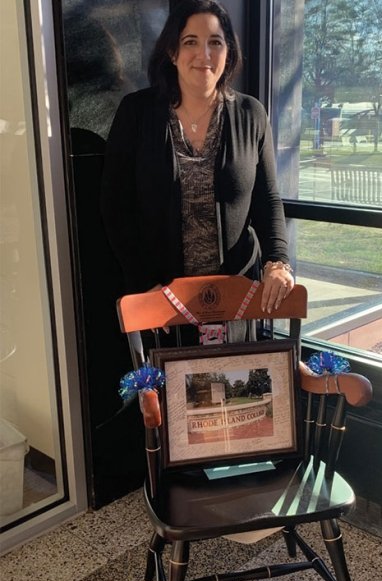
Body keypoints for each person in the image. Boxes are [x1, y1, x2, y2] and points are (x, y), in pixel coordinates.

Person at [101, 0, 294, 342]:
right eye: (190, 41)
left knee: (235, 392)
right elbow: (116, 207)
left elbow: (267, 199)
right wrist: (144, 282)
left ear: (228, 53)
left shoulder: (251, 114)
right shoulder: (137, 113)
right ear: (173, 52)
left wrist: (278, 262)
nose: (203, 53)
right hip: (163, 299)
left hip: (236, 299)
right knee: (171, 392)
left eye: (215, 42)